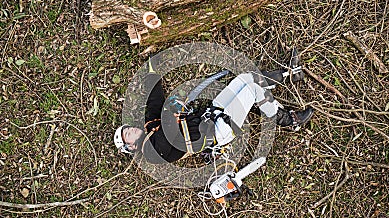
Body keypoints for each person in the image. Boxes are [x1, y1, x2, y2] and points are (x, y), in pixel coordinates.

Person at [114, 66, 314, 164]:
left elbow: (154, 101)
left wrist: (152, 72)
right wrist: (170, 112)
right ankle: (290, 121)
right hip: (219, 131)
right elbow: (168, 137)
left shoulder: (150, 126)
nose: (130, 130)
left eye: (126, 129)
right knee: (251, 90)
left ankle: (289, 73)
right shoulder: (151, 153)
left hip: (209, 115)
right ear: (131, 147)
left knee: (244, 78)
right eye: (127, 135)